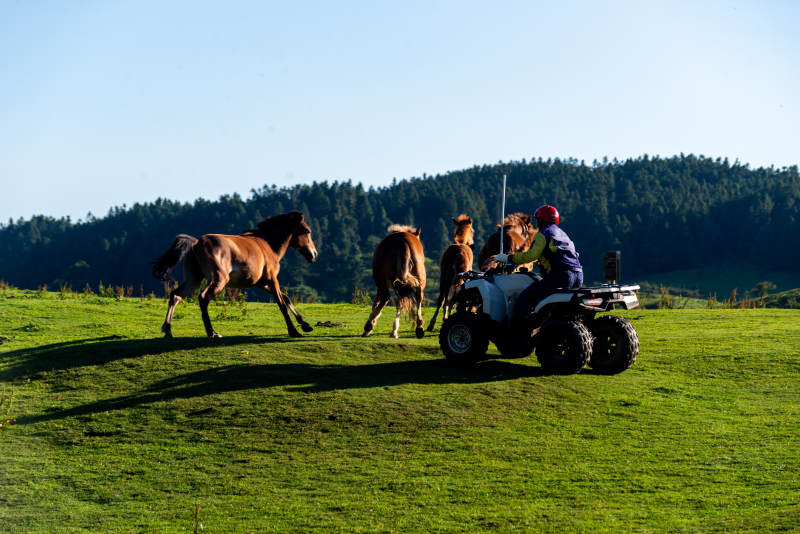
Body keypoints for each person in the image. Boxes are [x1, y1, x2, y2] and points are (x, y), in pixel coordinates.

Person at [492, 204, 583, 331]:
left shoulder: (543, 234)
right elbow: (561, 255)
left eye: (537, 219)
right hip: (578, 276)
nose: (536, 223)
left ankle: (515, 333)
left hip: (561, 277)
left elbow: (531, 255)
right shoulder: (562, 233)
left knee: (525, 298)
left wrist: (508, 258)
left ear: (541, 220)